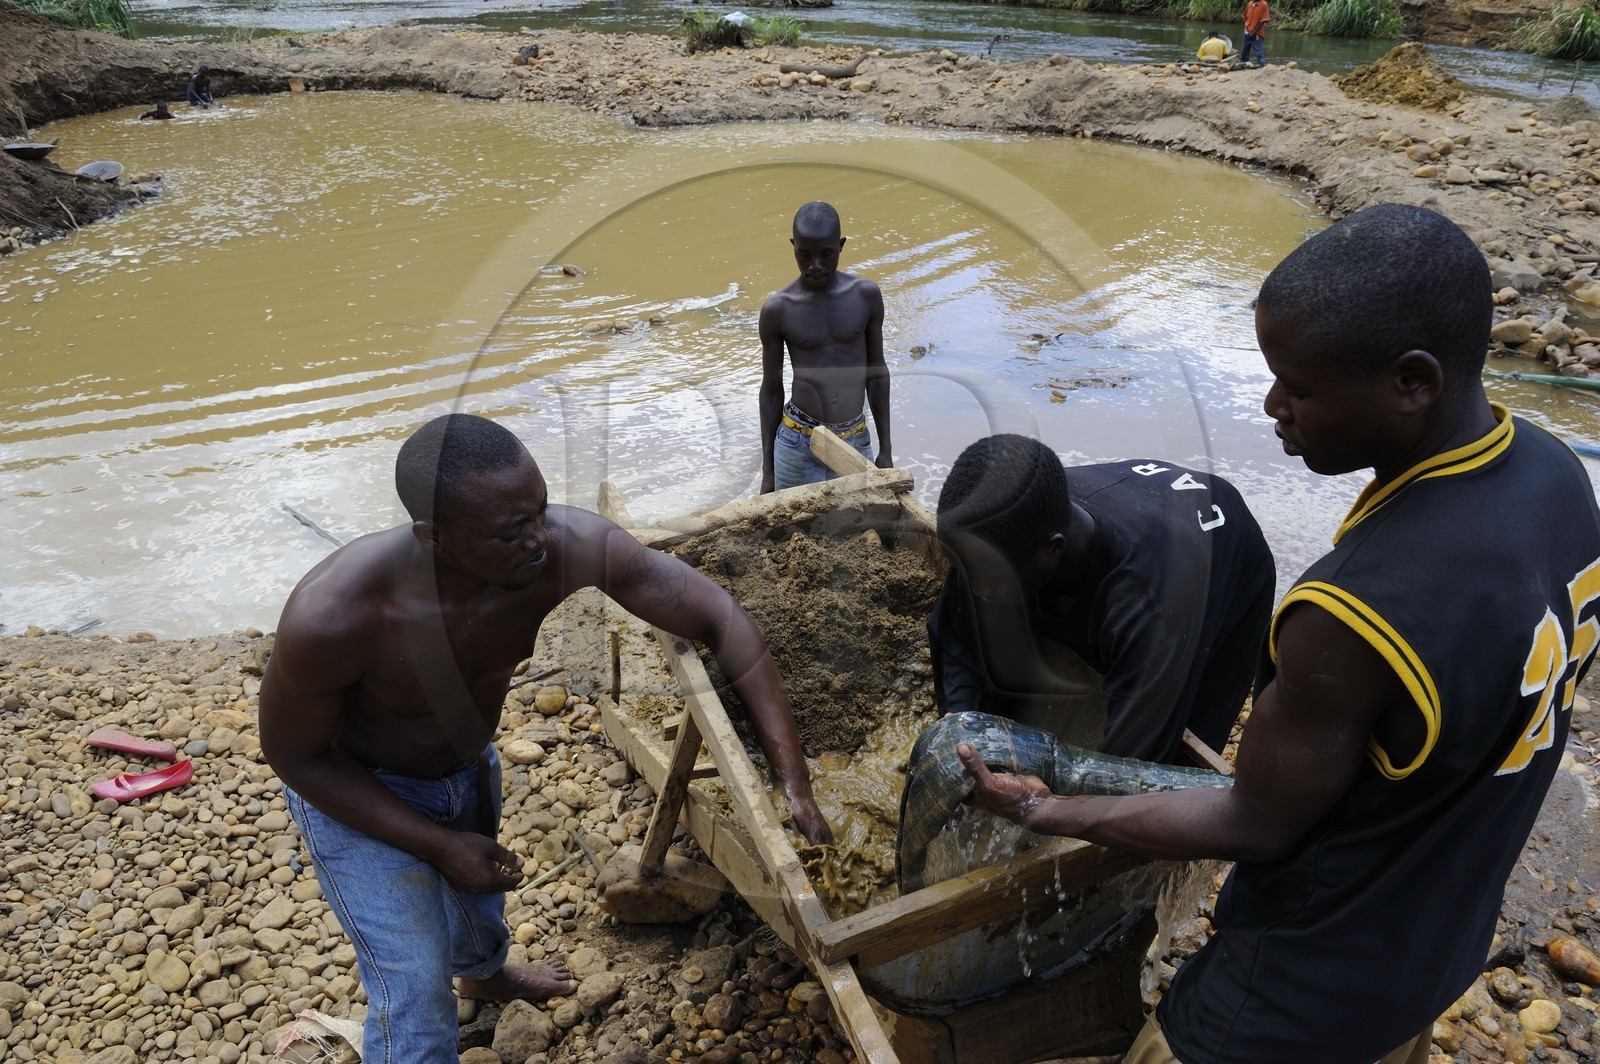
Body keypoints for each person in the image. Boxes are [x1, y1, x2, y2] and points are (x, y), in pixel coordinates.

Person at [959, 204, 1600, 1064]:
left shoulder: (1347, 615)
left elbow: (1252, 823)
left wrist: (1049, 807)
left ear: (1412, 382)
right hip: (1431, 953)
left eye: (1297, 387)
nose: (1272, 407)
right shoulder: (1557, 477)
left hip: (1292, 999)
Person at [260, 413, 833, 1063]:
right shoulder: (336, 615)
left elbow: (724, 623)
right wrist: (437, 844)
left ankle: (487, 974)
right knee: (414, 988)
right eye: (513, 530)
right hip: (357, 791)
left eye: (541, 507)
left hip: (464, 763)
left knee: (478, 899)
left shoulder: (558, 548)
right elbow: (294, 754)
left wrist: (794, 782)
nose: (541, 537)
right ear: (435, 537)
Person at [930, 436, 1274, 764]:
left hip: (1229, 558)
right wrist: (962, 722)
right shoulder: (998, 523)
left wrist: (1053, 800)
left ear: (1053, 549)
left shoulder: (1148, 603)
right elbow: (958, 630)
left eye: (987, 578)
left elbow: (1130, 763)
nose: (976, 588)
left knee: (1172, 760)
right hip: (1140, 499)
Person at [759, 201, 891, 493]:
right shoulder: (778, 310)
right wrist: (768, 473)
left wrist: (886, 450)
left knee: (863, 532)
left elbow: (877, 373)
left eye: (826, 254)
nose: (815, 266)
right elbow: (771, 389)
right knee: (796, 533)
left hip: (854, 440)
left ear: (841, 246)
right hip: (797, 443)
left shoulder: (865, 296)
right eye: (804, 255)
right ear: (793, 246)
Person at [1240, 0, 1269, 67]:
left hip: (1257, 33)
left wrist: (1254, 32)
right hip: (1247, 32)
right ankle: (1244, 65)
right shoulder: (1250, 3)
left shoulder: (1263, 4)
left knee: (1259, 52)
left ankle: (1262, 66)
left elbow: (1263, 20)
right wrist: (1247, 27)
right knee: (1244, 51)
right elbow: (1245, 17)